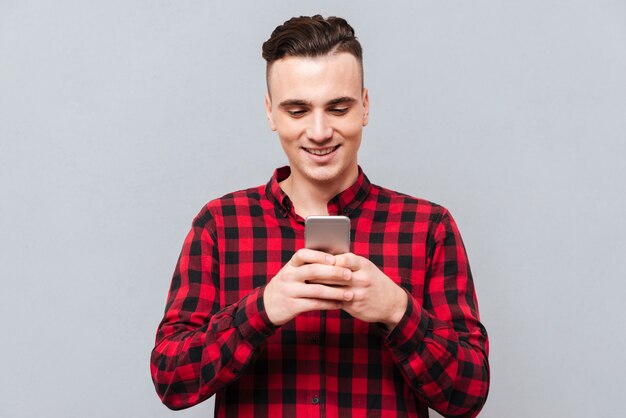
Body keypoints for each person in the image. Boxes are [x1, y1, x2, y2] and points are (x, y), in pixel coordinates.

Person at [150, 15, 489, 418]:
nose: (319, 131)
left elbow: (468, 396)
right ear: (270, 113)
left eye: (338, 107)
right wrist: (261, 310)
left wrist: (397, 310)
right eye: (297, 110)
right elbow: (171, 381)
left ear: (364, 106)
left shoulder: (428, 227)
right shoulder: (220, 225)